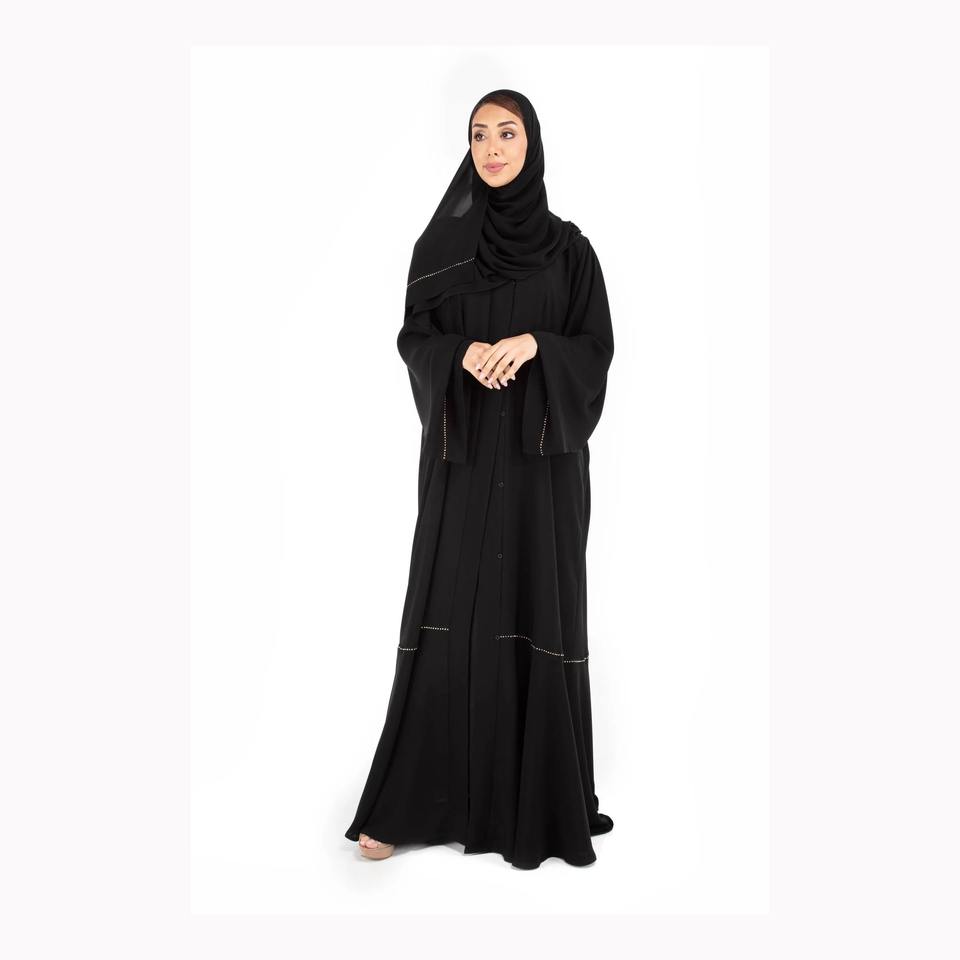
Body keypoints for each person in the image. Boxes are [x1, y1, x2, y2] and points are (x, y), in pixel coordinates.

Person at [344, 88, 615, 869]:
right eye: (479, 135)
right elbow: (413, 338)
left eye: (507, 132)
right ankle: (407, 802)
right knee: (446, 604)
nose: (492, 148)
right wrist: (458, 354)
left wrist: (536, 345)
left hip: (541, 467)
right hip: (462, 459)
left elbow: (595, 350)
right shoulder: (440, 249)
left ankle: (537, 807)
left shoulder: (571, 253)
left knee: (536, 603)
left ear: (532, 142)